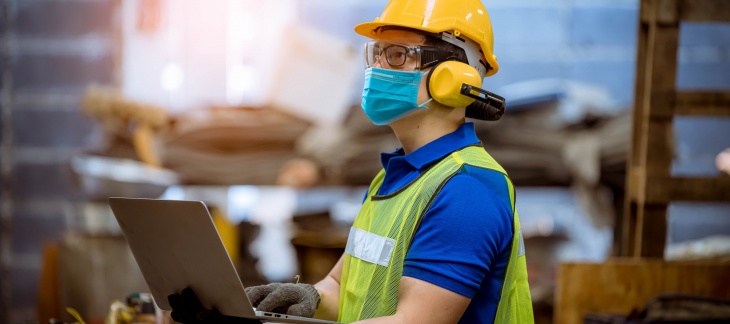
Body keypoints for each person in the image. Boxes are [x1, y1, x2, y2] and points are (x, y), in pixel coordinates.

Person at [169, 0, 533, 323]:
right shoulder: (394, 178)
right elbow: (342, 287)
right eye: (374, 53)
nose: (376, 69)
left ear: (454, 79)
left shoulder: (466, 190)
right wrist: (303, 301)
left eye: (396, 55)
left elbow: (413, 320)